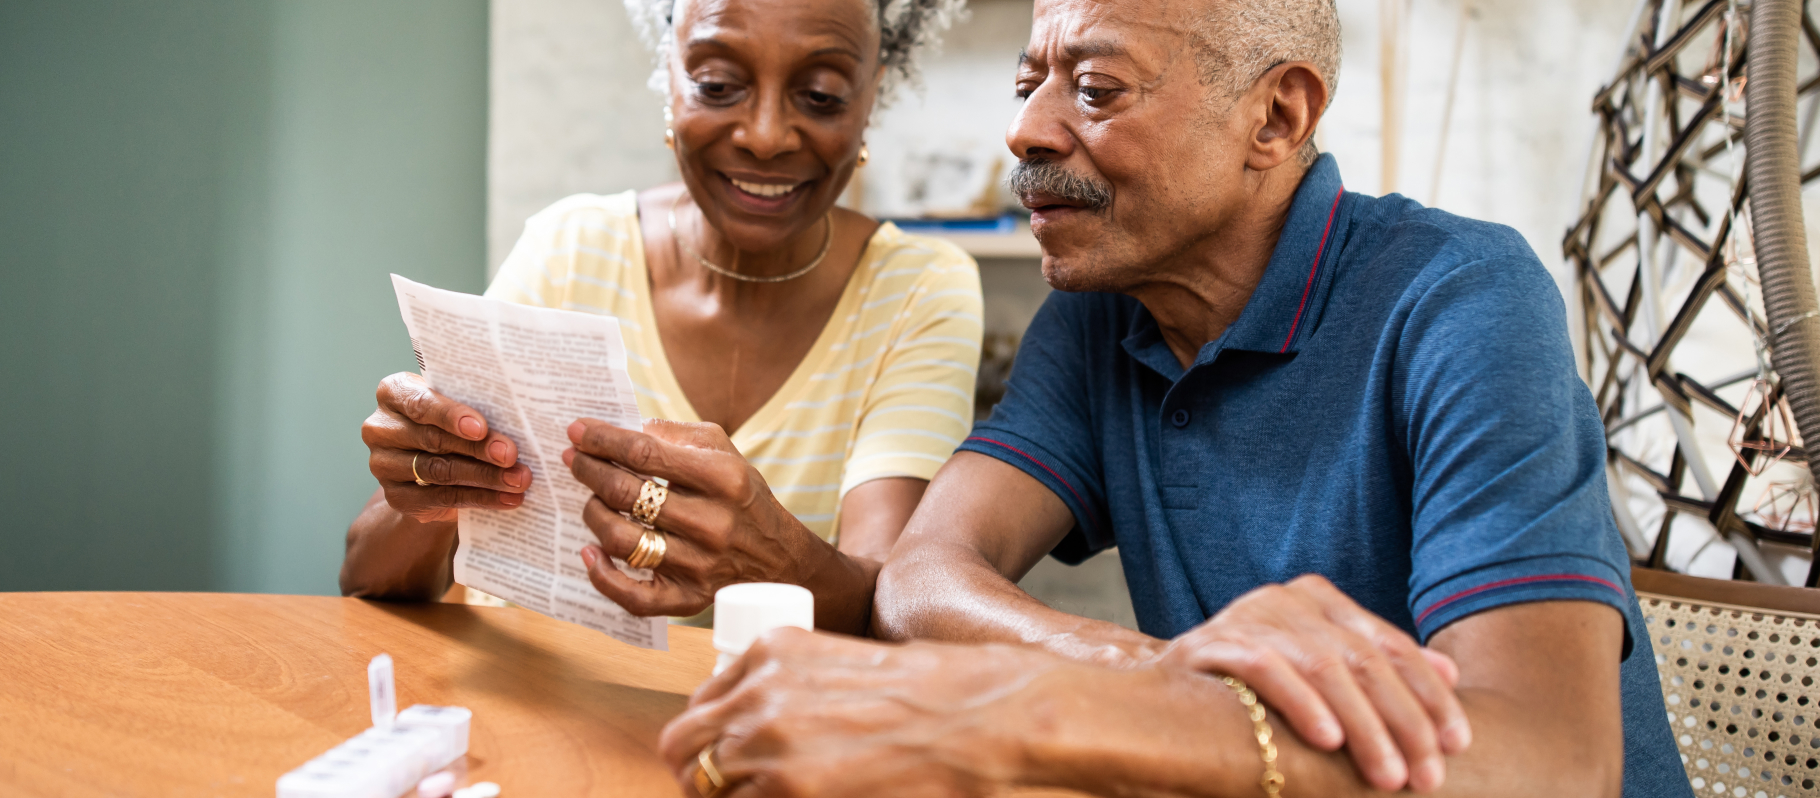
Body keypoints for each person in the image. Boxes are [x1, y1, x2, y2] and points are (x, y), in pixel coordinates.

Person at [656, 0, 1693, 795]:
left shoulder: (1462, 299)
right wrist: (1158, 671)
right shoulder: (1104, 309)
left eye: (1097, 91)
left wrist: (1022, 705)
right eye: (1030, 84)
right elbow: (920, 578)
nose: (1027, 132)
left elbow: (1547, 763)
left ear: (1276, 117)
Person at [339, 0, 978, 635]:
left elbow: (892, 613)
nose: (764, 135)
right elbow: (366, 578)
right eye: (718, 86)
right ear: (667, 75)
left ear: (874, 93)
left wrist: (770, 553)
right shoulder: (569, 249)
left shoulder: (917, 289)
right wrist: (431, 485)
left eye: (821, 95)